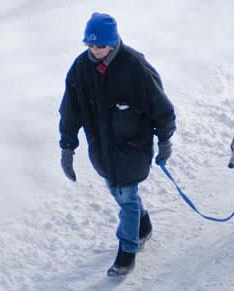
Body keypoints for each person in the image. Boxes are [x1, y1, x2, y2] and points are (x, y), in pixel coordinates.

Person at [58, 12, 176, 276]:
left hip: (132, 148)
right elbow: (70, 110)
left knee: (127, 199)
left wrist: (165, 139)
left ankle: (127, 250)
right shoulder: (80, 69)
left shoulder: (135, 66)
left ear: (112, 42)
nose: (95, 51)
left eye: (100, 45)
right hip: (103, 151)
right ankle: (143, 226)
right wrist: (67, 147)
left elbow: (162, 109)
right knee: (120, 193)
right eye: (90, 45)